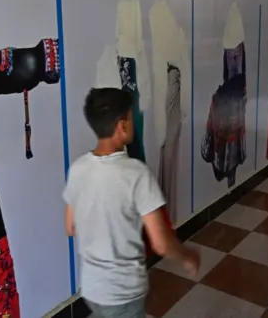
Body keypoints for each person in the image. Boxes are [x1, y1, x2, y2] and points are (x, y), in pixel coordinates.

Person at [63, 87, 200, 318]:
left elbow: (71, 227)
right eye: (131, 115)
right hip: (123, 292)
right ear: (122, 125)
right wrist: (188, 256)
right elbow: (161, 244)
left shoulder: (78, 169)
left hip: (92, 290)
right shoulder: (137, 174)